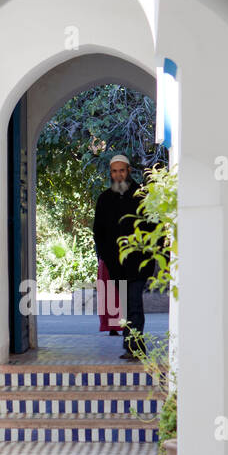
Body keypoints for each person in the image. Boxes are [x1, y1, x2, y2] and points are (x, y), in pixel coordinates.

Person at [92, 154, 155, 360]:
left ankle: (136, 347)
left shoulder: (142, 195)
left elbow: (154, 228)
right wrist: (105, 257)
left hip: (138, 263)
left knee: (134, 303)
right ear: (110, 173)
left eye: (122, 170)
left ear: (129, 171)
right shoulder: (105, 199)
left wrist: (149, 256)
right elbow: (98, 232)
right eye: (114, 171)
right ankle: (131, 345)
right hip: (116, 264)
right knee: (127, 305)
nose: (118, 175)